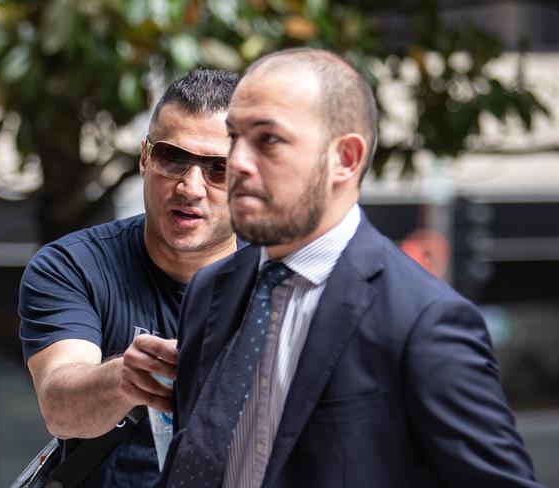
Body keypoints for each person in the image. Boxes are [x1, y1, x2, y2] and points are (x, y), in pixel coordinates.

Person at [158, 49, 542, 487]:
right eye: (234, 137)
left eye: (267, 140)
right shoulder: (211, 288)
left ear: (345, 159)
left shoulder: (423, 321)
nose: (238, 162)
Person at [18, 68, 241, 487]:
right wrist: (131, 374)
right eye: (172, 158)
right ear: (144, 158)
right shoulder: (72, 265)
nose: (191, 188)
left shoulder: (285, 279)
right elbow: (59, 406)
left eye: (218, 169)